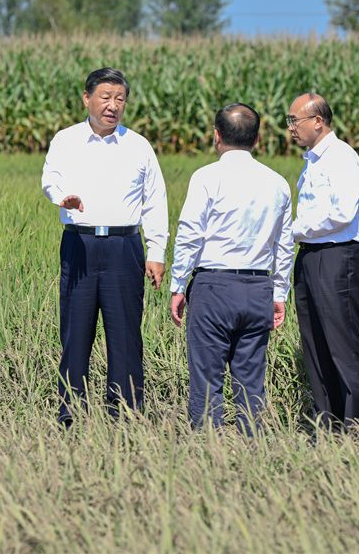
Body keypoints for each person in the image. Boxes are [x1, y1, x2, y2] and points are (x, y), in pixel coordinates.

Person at [41, 67, 169, 425]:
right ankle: (71, 412)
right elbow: (50, 177)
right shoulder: (66, 140)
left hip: (124, 246)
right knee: (75, 332)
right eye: (105, 97)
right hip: (79, 244)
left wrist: (156, 252)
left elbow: (155, 201)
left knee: (125, 334)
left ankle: (125, 413)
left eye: (120, 99)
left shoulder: (138, 145)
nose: (113, 106)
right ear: (87, 98)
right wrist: (61, 198)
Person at [169, 103, 294, 433]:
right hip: (258, 290)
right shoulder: (278, 183)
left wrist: (178, 285)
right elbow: (284, 245)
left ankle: (207, 454)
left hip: (213, 288)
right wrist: (279, 292)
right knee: (251, 383)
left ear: (216, 136)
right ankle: (251, 454)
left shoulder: (207, 177)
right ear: (257, 139)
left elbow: (190, 235)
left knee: (207, 382)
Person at [287, 93, 359, 430]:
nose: (290, 127)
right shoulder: (313, 161)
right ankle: (327, 424)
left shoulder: (341, 157)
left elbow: (341, 213)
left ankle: (355, 428)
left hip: (337, 258)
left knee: (342, 345)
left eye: (295, 120)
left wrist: (295, 230)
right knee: (315, 345)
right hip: (309, 257)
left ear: (318, 121)